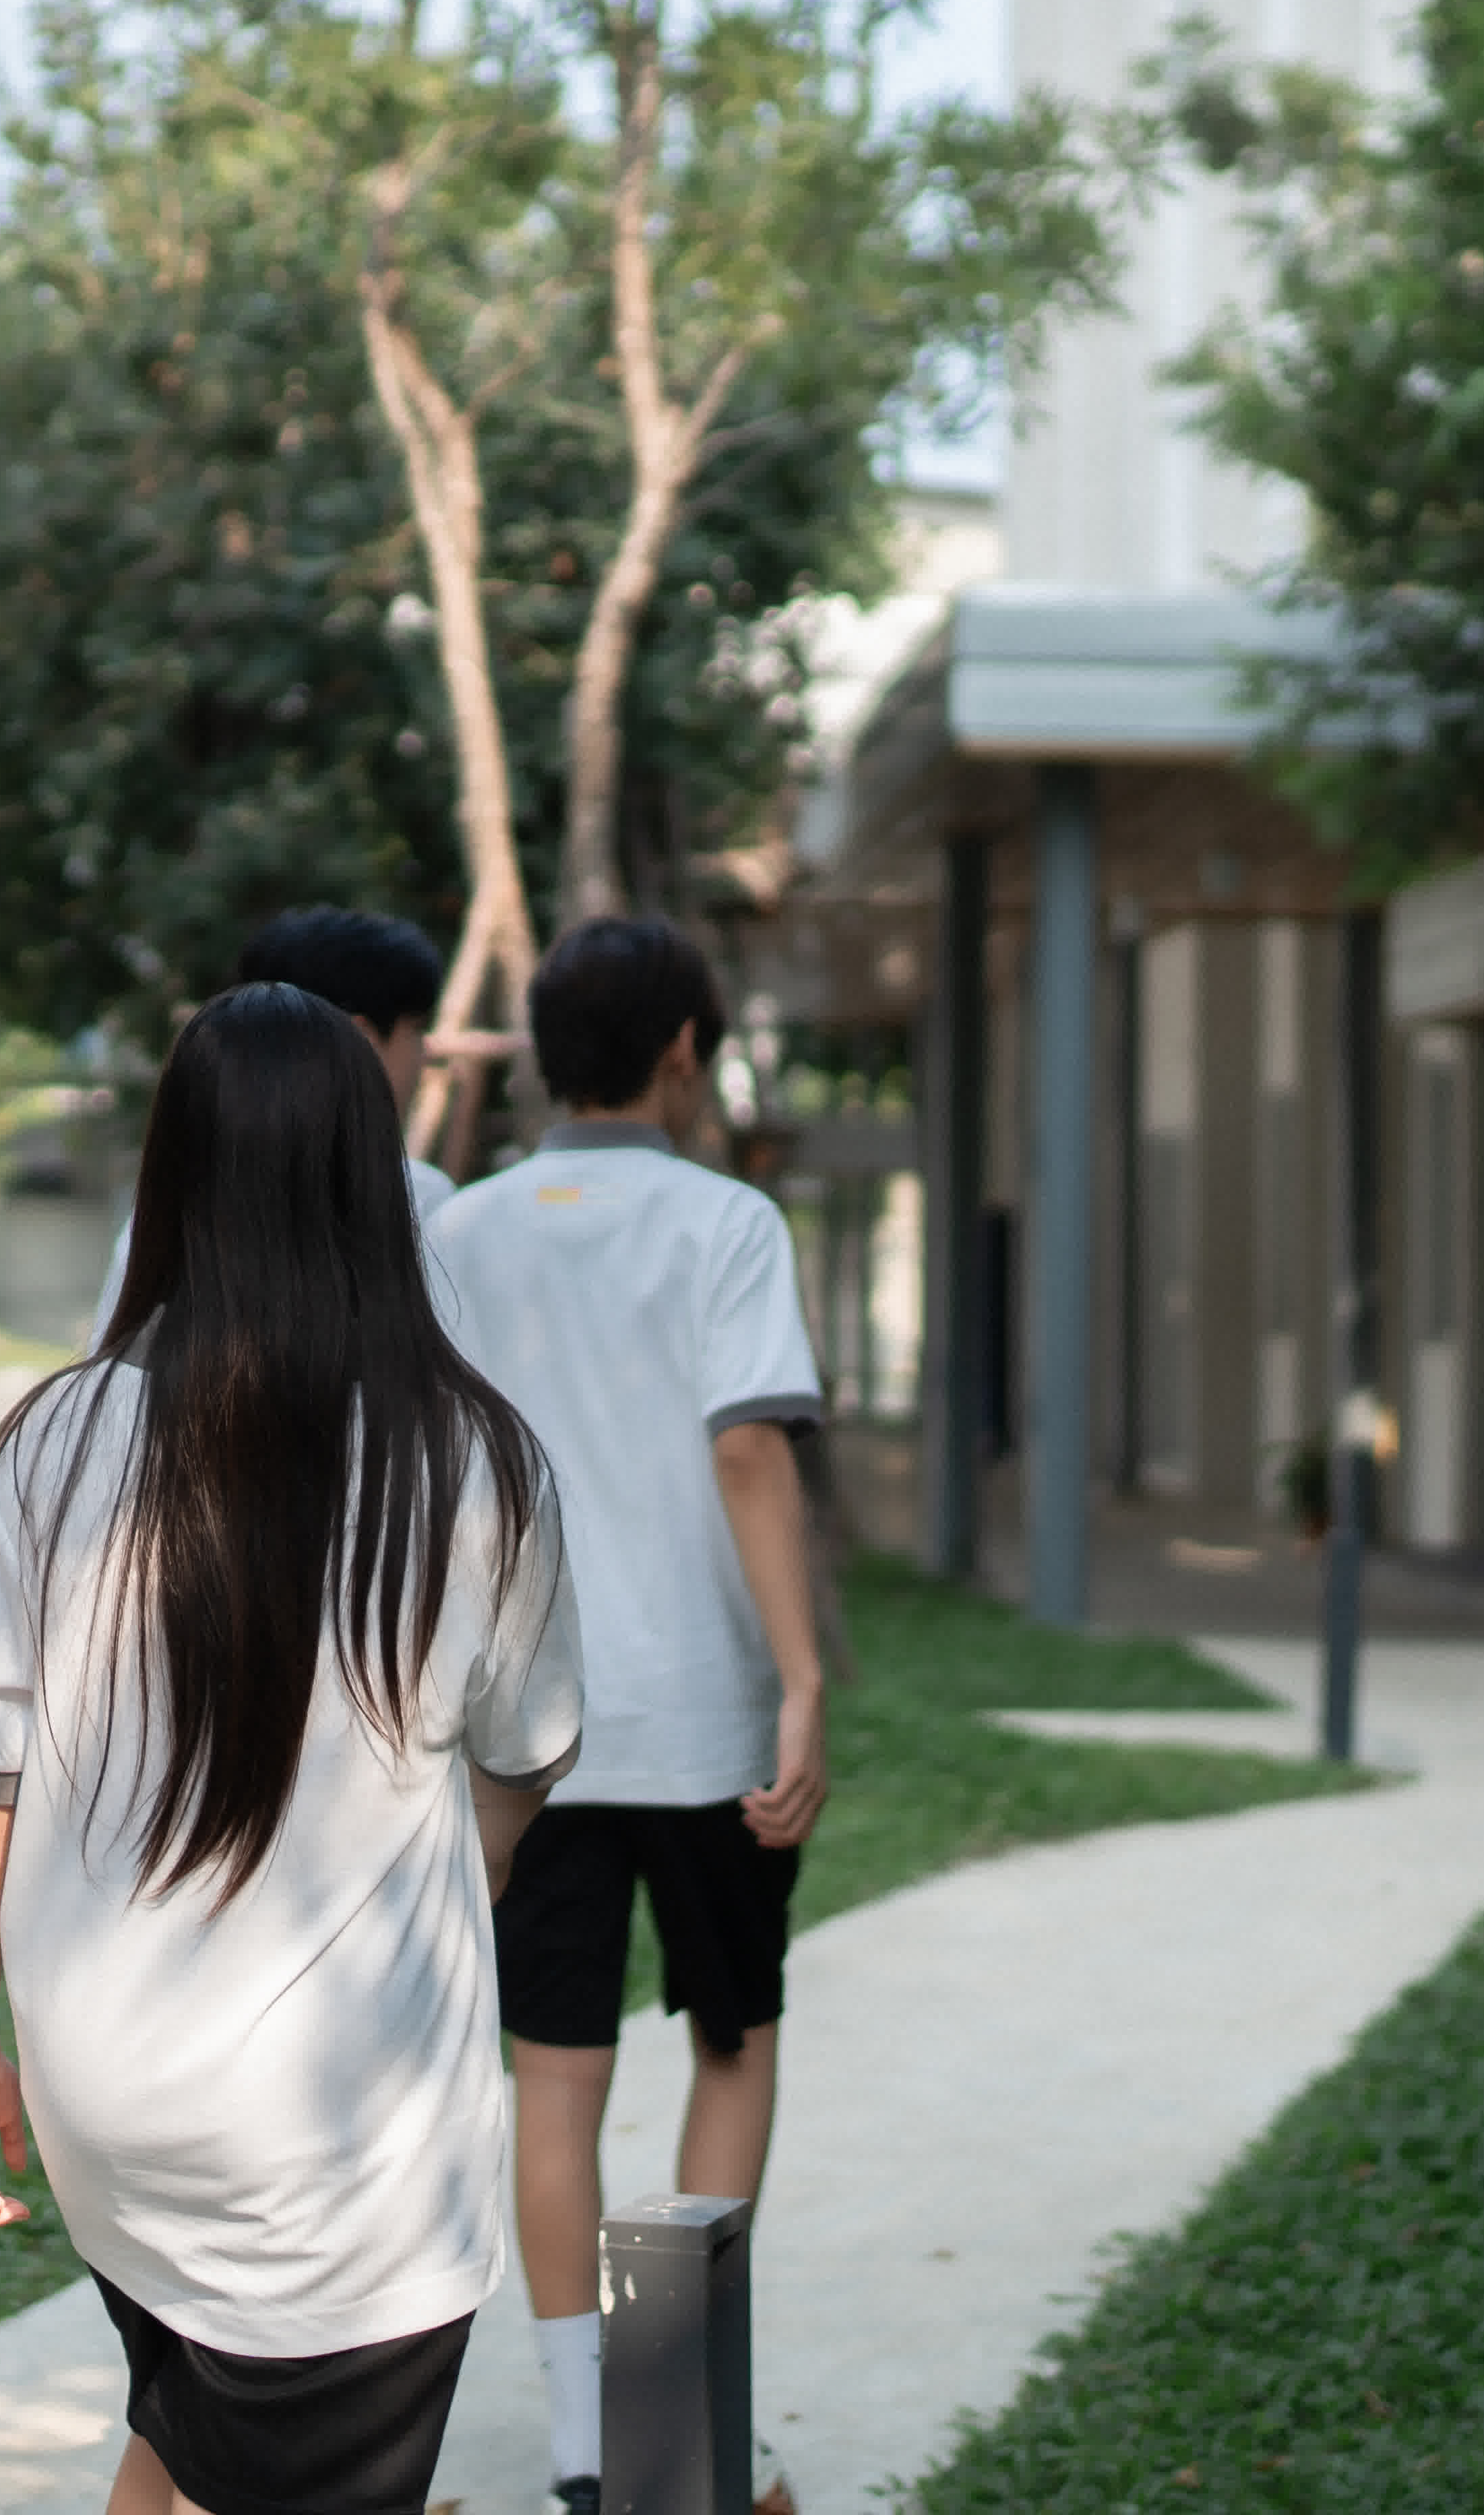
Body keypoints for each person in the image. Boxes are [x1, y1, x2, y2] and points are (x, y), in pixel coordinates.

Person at [0, 983, 582, 2515]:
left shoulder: (50, 1441)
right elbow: (525, 1754)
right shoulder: (471, 1459)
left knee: (184, 2430)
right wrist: (441, 1880)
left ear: (173, 1177)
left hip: (114, 2106)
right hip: (343, 2139)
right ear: (372, 1180)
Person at [421, 917, 830, 2515]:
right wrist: (801, 1678)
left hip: (529, 1724)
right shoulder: (729, 1223)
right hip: (708, 1721)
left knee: (556, 2079)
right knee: (732, 2040)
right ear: (681, 1049)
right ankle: (691, 2427)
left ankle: (590, 2447)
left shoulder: (468, 1228)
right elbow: (749, 1452)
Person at [87, 905, 458, 1339]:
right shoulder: (419, 1203)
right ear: (361, 1039)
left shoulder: (167, 1215)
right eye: (416, 1031)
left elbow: (119, 1376)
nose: (426, 1054)